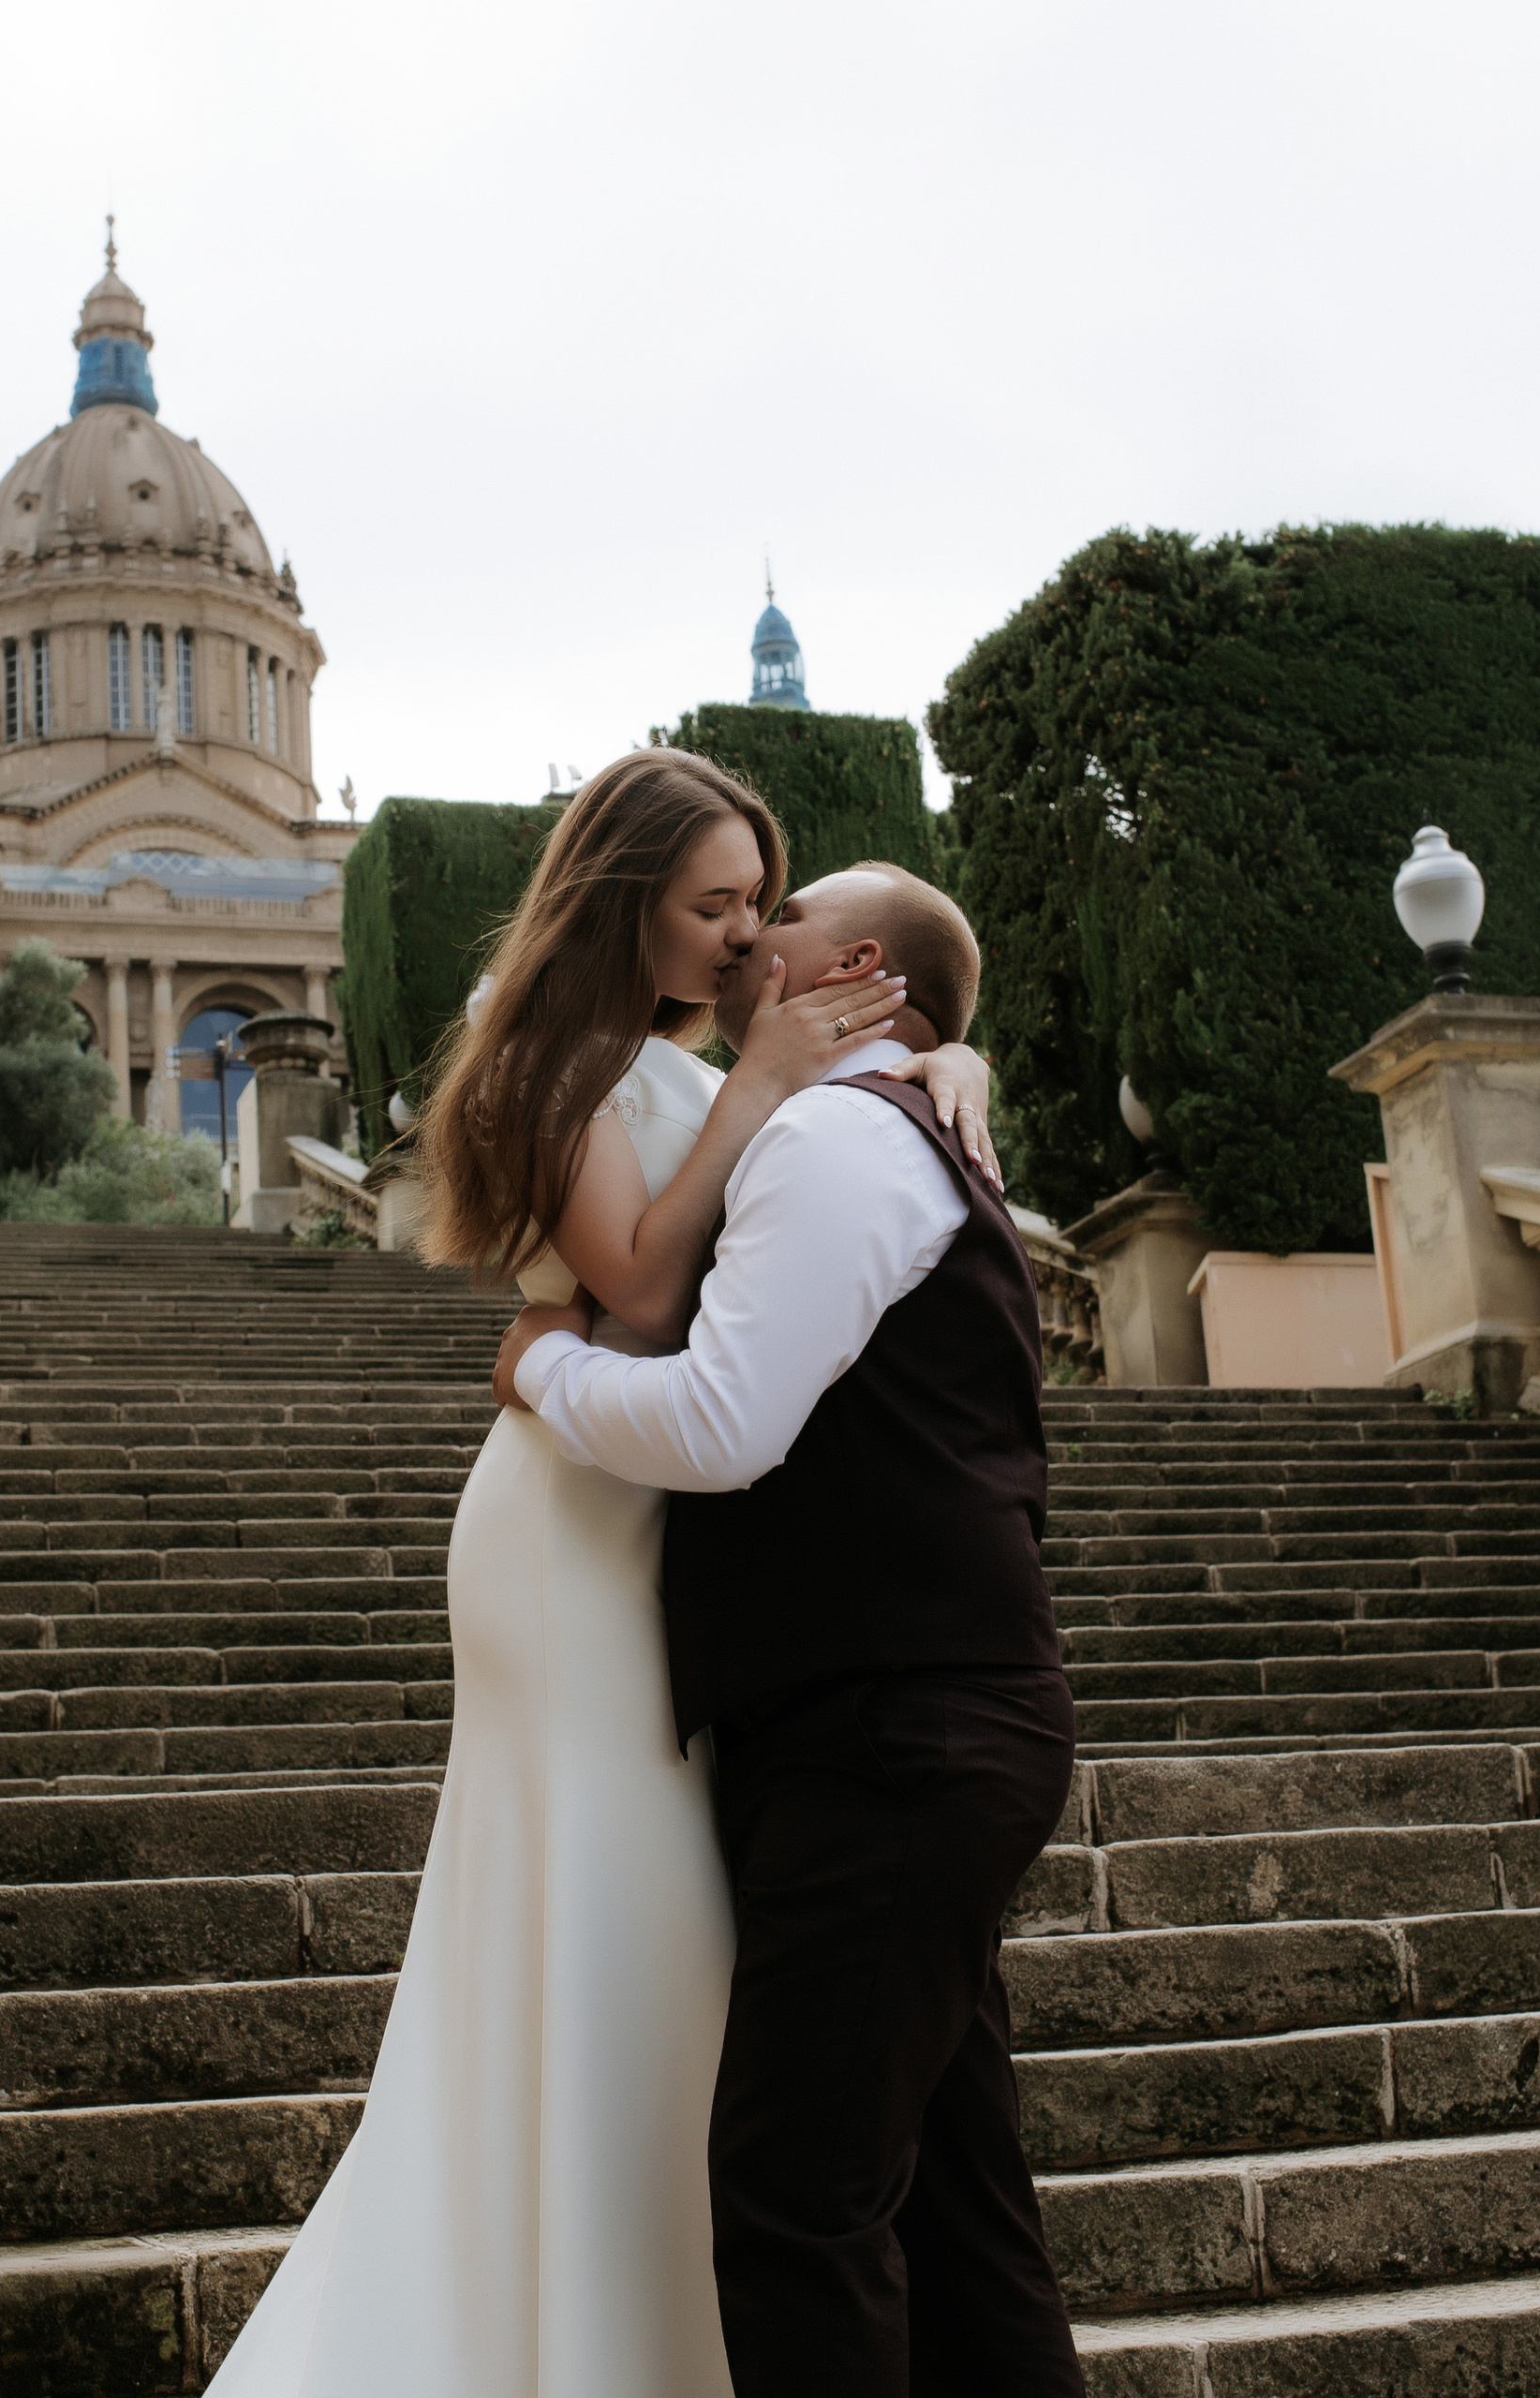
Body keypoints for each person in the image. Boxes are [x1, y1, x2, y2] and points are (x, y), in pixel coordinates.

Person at [204, 752, 1000, 2398]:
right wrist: (763, 1084)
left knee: (661, 1951)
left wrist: (947, 1060)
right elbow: (637, 1287)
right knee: (622, 1927)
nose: (737, 937)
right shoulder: (551, 1050)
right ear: (623, 893)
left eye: (753, 904)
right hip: (574, 1535)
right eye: (710, 904)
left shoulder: (675, 1062)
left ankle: (630, 2334)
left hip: (649, 1517)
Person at [496, 861, 1080, 2398]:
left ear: (862, 962)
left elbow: (723, 1420)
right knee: (960, 2207)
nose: (756, 935)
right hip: (918, 1718)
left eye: (789, 913)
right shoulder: (901, 1123)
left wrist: (543, 1371)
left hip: (889, 1735)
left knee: (794, 2200)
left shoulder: (836, 1136)